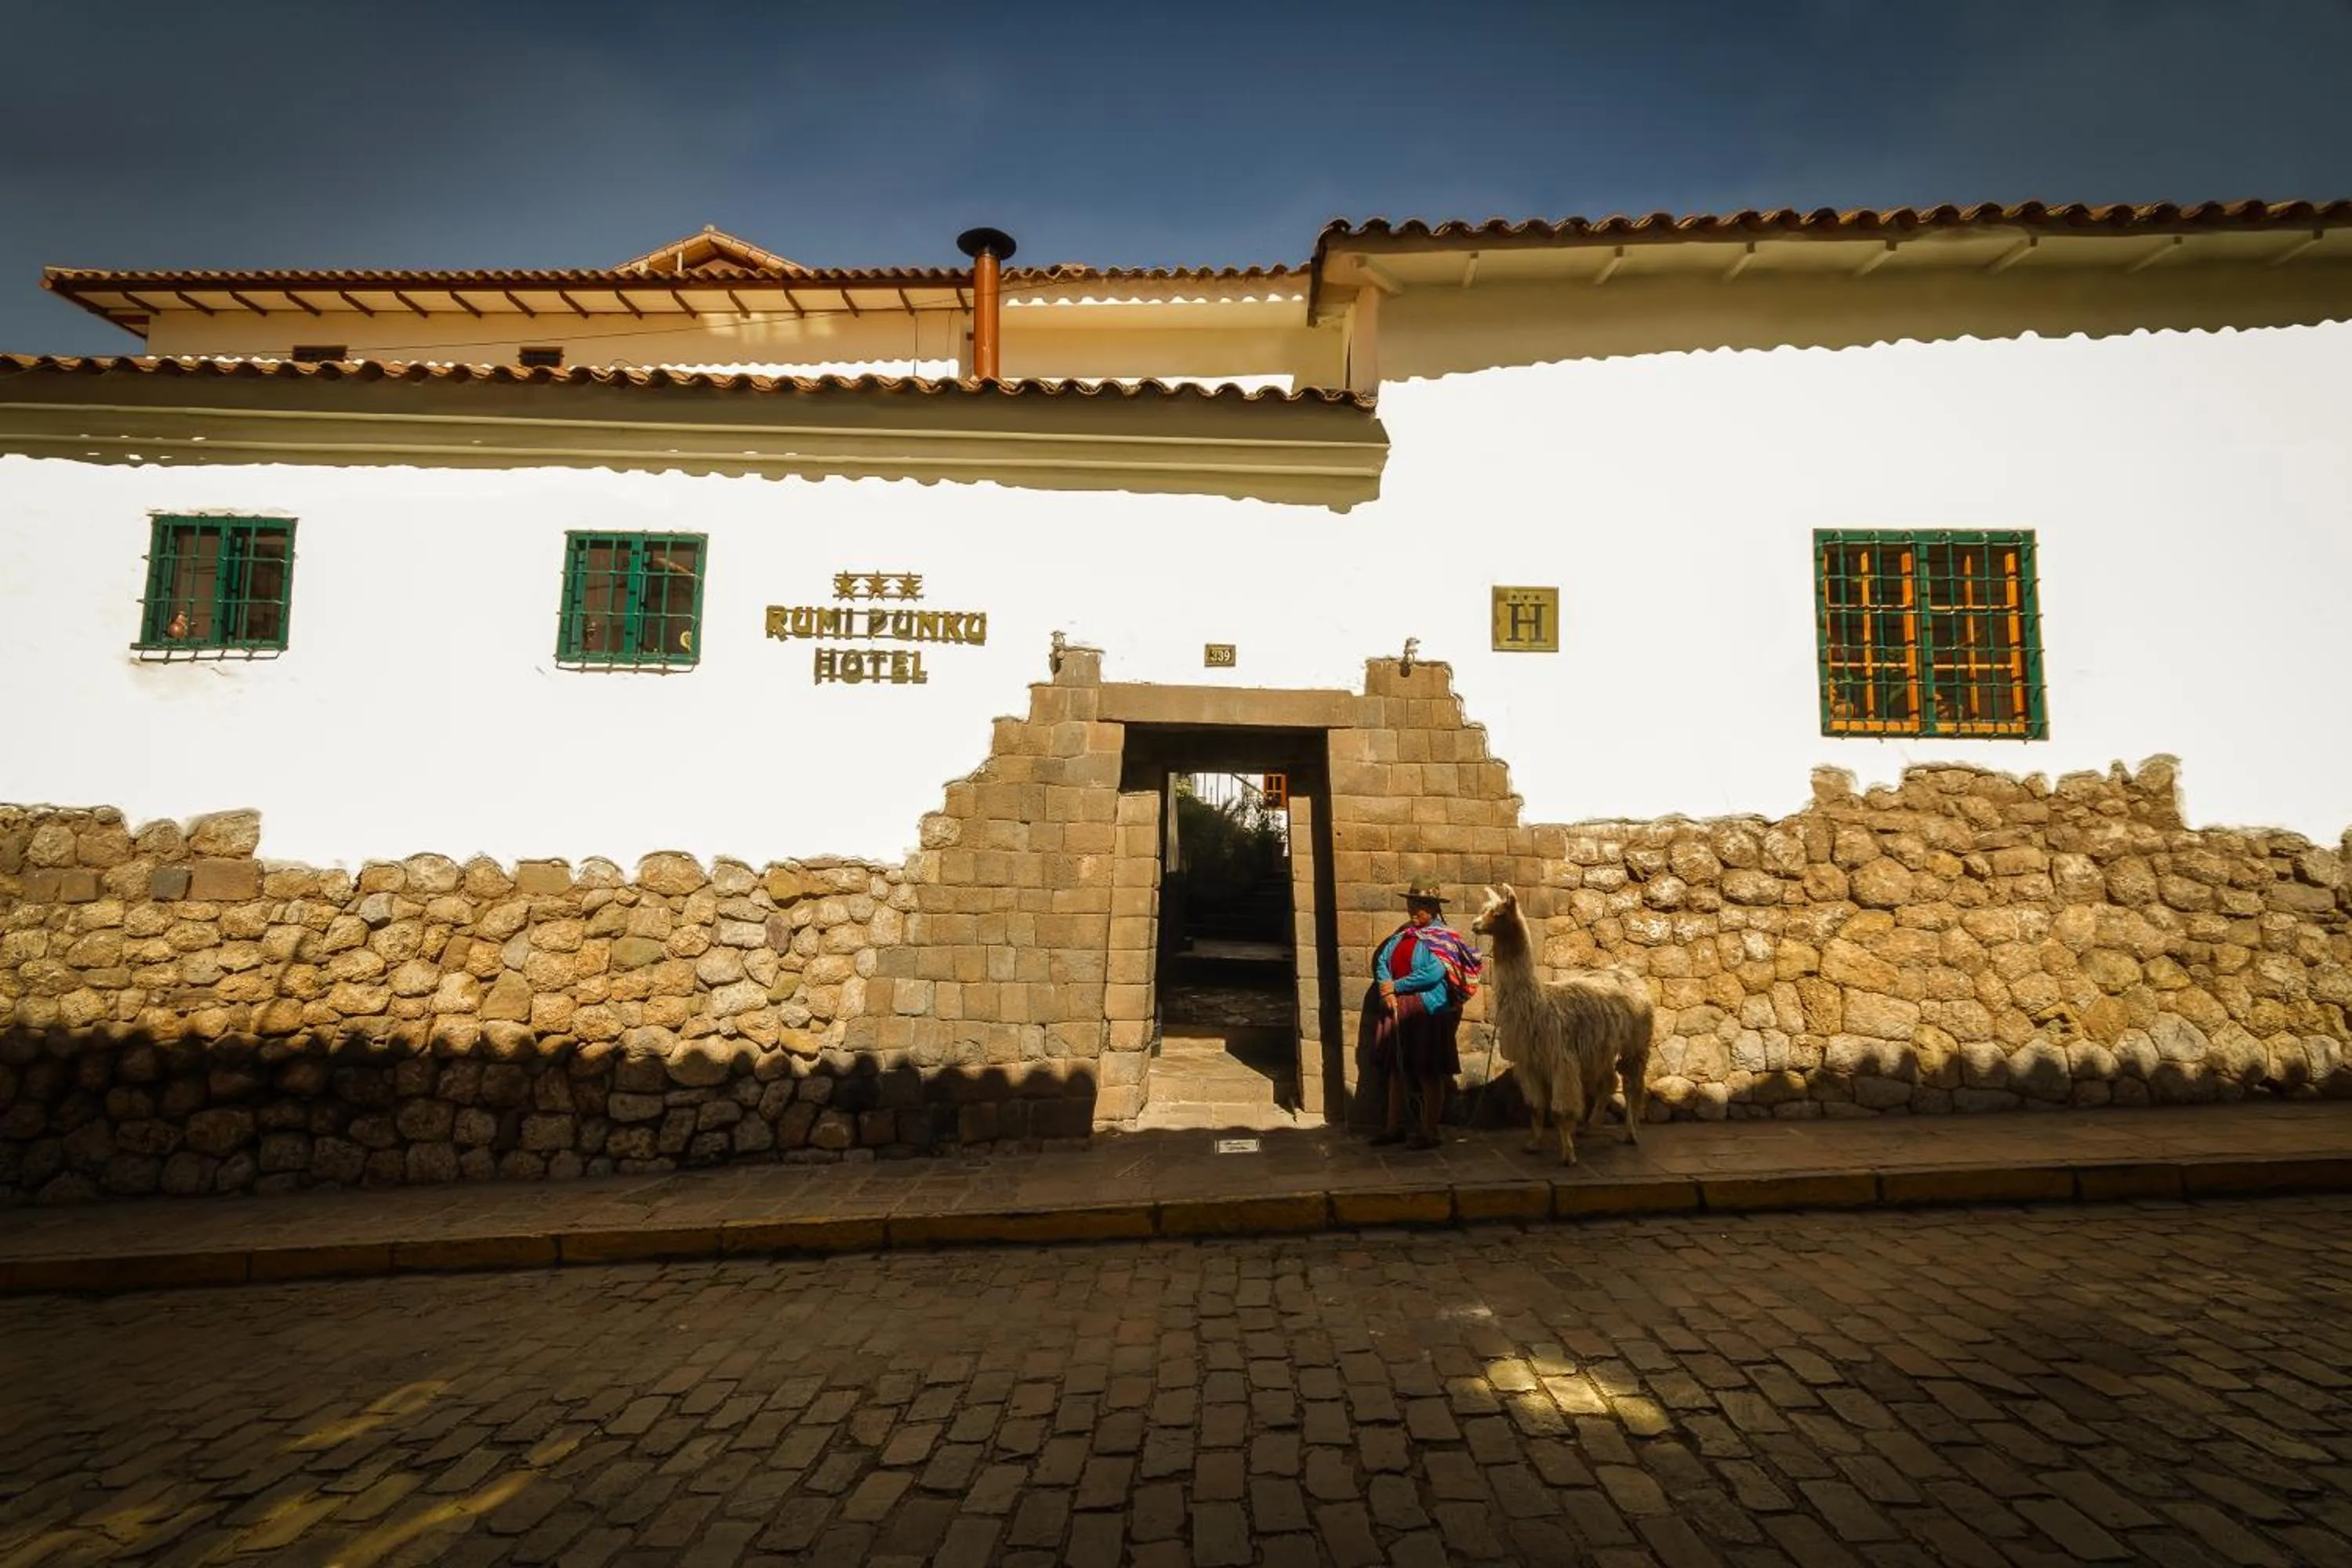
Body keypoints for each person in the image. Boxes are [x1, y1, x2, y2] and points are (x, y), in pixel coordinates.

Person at [1359, 877, 1483, 1149]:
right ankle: (1394, 1128)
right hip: (1397, 1008)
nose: (1415, 910)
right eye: (1412, 904)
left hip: (1427, 1010)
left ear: (1435, 908)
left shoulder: (1445, 939)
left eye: (1422, 905)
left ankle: (1429, 1131)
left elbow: (1435, 972)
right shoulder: (1402, 935)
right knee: (1396, 1070)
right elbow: (1382, 960)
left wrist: (1397, 986)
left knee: (1428, 1072)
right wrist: (1387, 991)